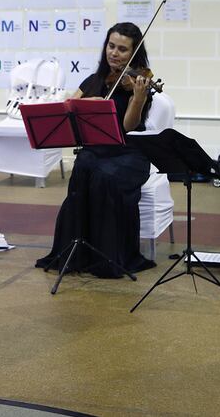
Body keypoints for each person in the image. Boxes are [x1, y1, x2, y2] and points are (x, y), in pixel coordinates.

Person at [35, 22, 156, 278]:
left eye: (123, 49)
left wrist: (138, 98)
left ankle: (109, 256)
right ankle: (78, 251)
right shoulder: (93, 80)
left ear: (134, 52)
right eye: (111, 46)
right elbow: (67, 107)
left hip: (129, 154)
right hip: (97, 151)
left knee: (104, 175)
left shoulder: (138, 83)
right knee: (84, 167)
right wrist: (82, 103)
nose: (114, 53)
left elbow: (129, 126)